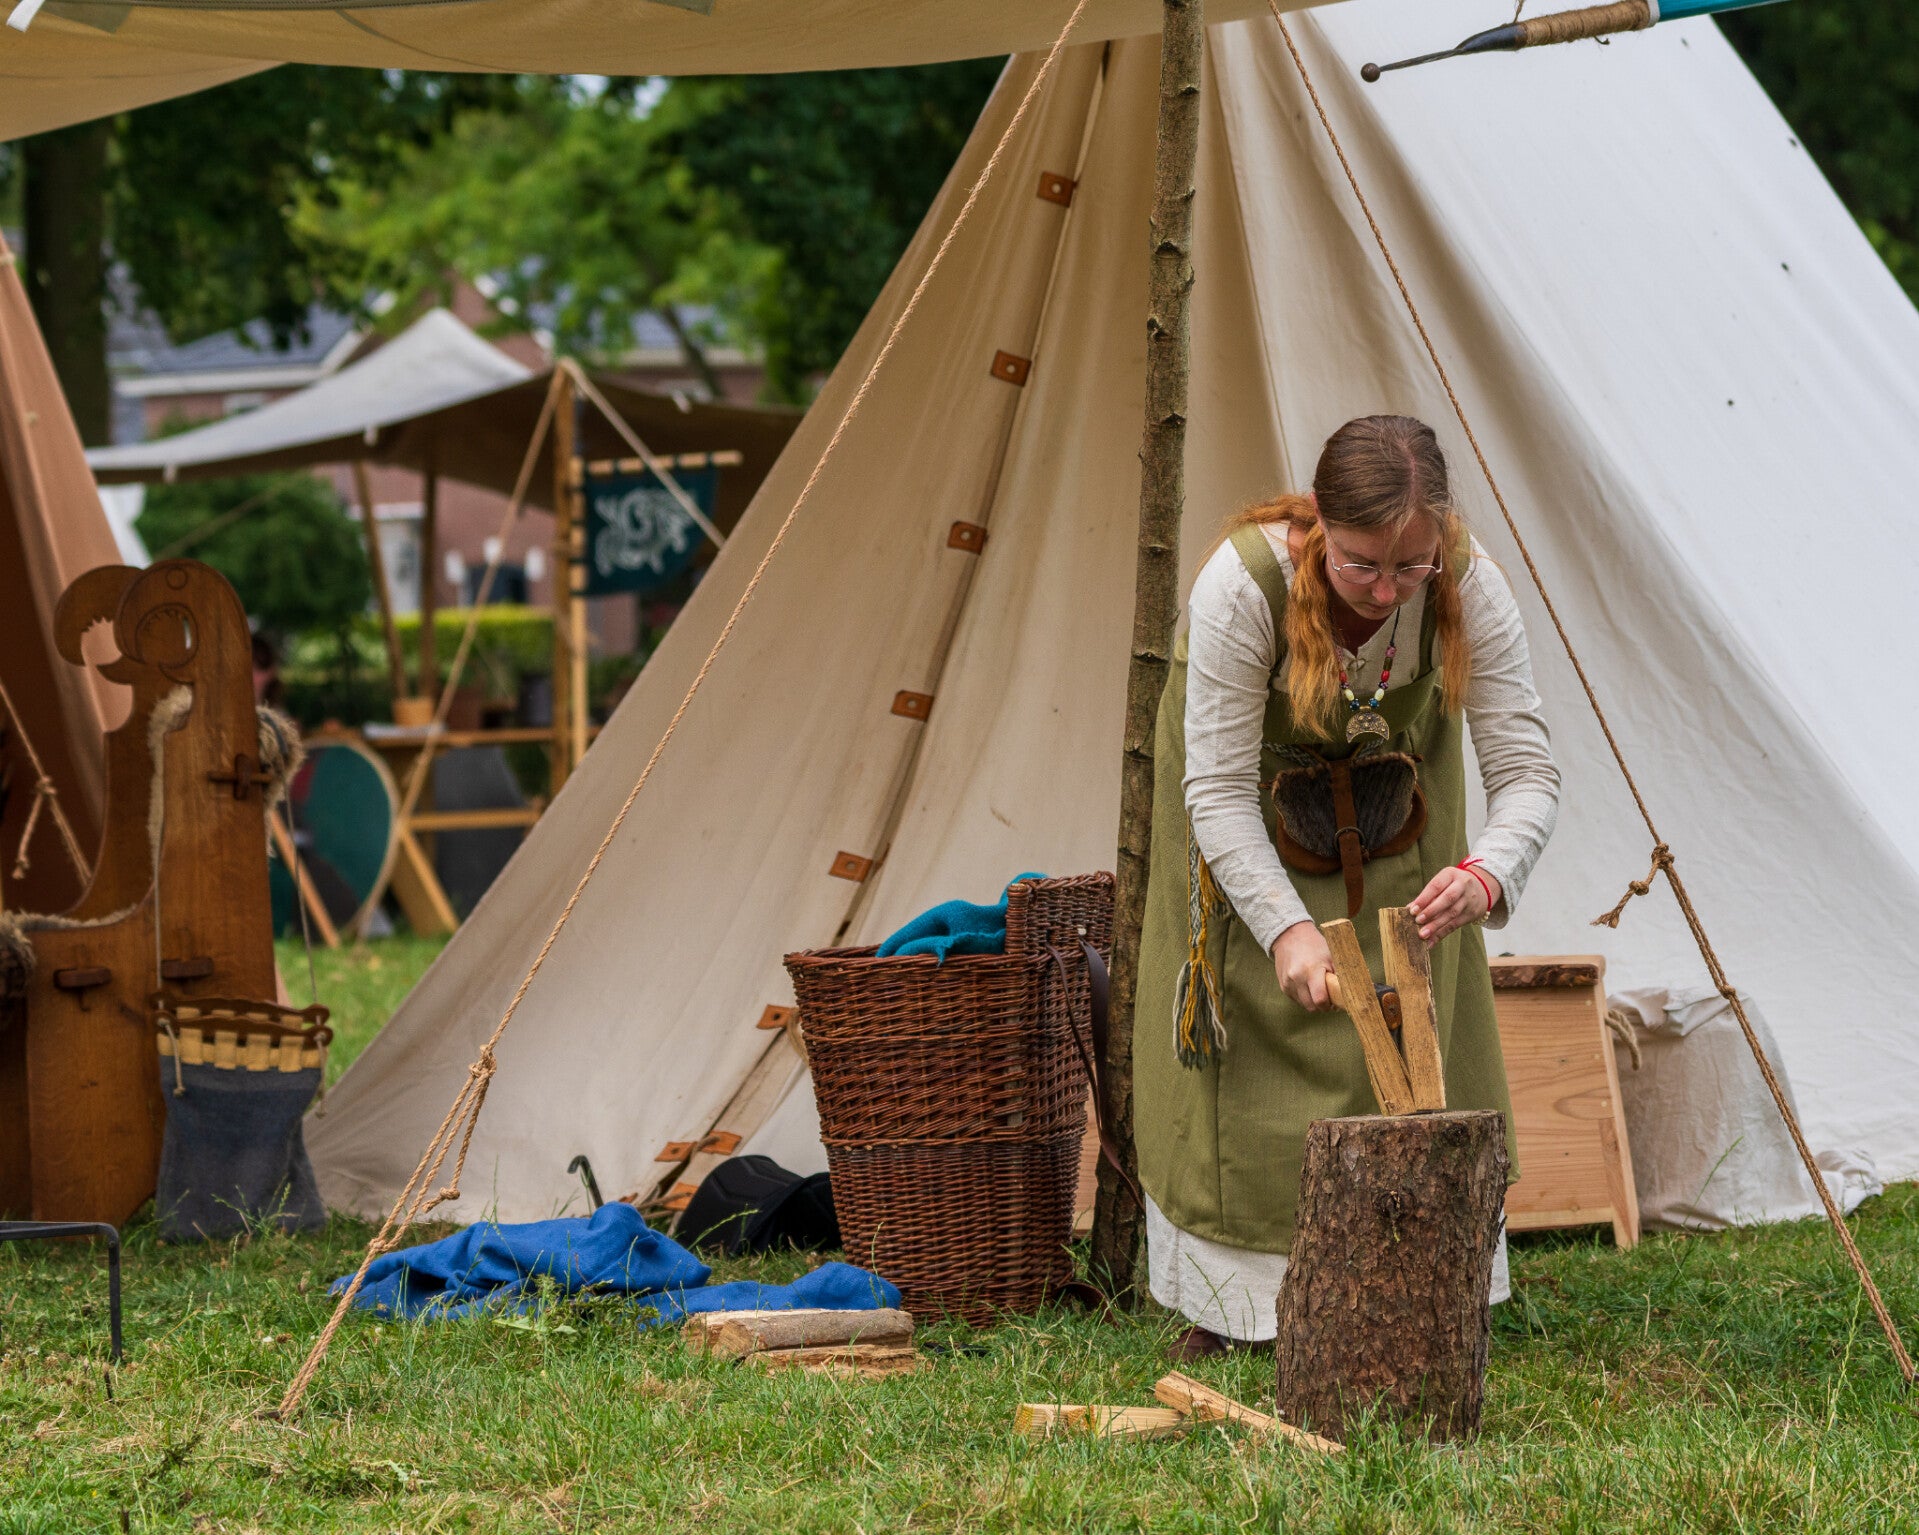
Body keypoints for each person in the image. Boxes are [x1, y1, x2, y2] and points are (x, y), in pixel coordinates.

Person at [1134, 414, 1560, 1357]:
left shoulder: (1466, 584)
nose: (1385, 588)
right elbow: (1215, 789)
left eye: (1411, 566)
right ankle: (1243, 1310)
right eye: (1360, 563)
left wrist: (1487, 872)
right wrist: (1286, 929)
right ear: (1319, 523)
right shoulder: (1242, 586)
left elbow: (1528, 769)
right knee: (1257, 1068)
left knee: (1407, 1050)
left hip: (1402, 835)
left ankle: (1421, 1294)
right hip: (1249, 836)